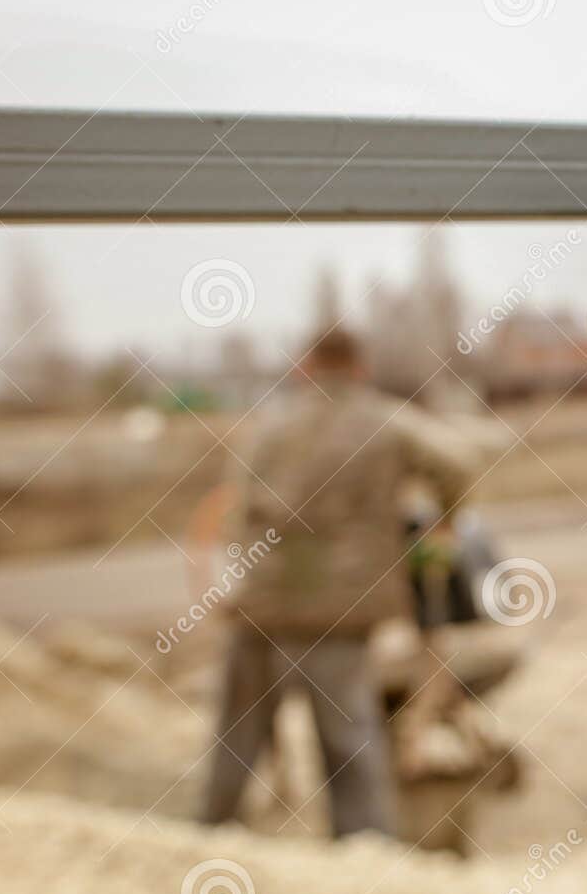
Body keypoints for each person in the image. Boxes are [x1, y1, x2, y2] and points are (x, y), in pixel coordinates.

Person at [199, 327, 480, 837]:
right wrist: (444, 524)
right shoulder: (386, 421)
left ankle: (208, 836)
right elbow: (460, 463)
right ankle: (364, 853)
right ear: (359, 367)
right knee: (348, 739)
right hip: (339, 610)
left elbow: (237, 512)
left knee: (236, 735)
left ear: (307, 367)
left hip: (260, 602)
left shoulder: (269, 426)